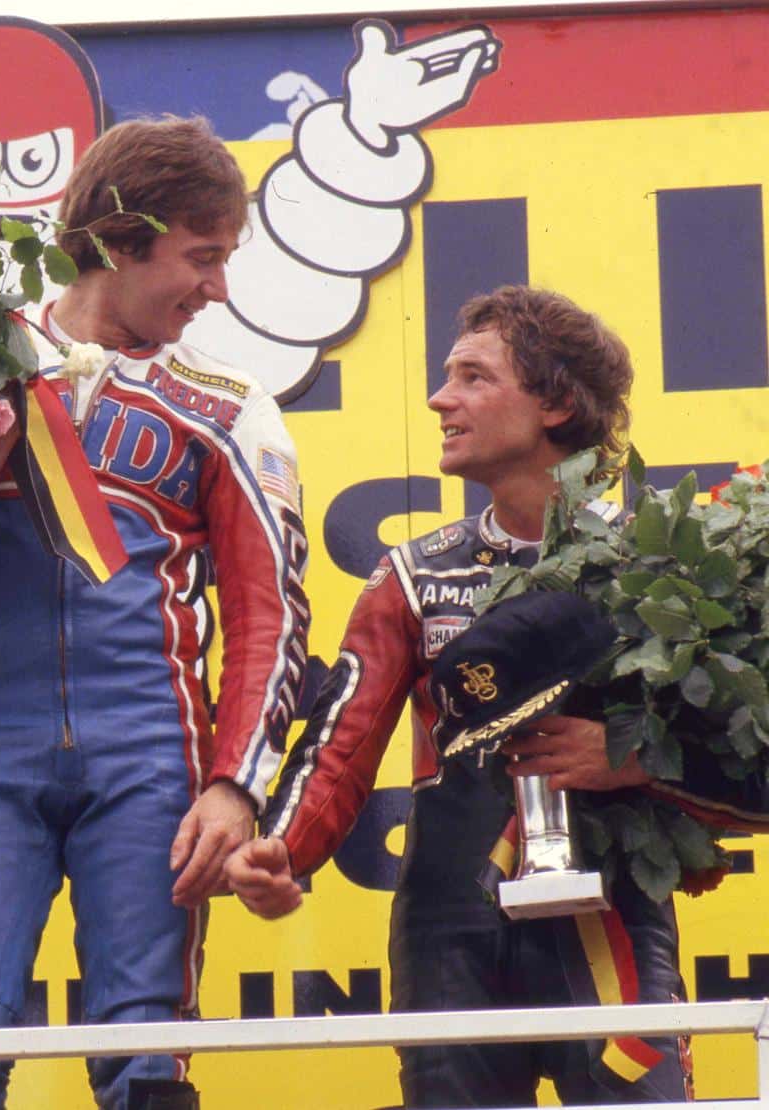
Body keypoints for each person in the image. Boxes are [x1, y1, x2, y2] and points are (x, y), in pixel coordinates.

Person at [0, 116, 311, 1110]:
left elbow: (270, 616)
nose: (217, 288)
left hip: (150, 757)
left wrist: (235, 787)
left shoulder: (228, 403)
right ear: (124, 239)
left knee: (144, 1057)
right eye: (203, 257)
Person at [224, 285, 700, 1106]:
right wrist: (282, 849)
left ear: (556, 403)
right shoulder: (414, 574)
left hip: (612, 914)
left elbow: (735, 743)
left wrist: (632, 758)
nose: (440, 399)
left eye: (473, 377)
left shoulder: (656, 565)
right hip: (449, 926)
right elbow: (342, 742)